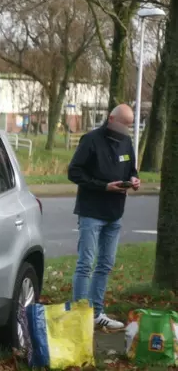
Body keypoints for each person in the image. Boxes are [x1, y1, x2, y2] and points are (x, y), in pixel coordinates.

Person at [67, 104, 140, 330]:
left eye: (130, 126)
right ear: (111, 119)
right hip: (91, 211)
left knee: (105, 264)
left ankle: (97, 313)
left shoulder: (127, 142)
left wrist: (134, 180)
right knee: (85, 263)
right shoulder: (91, 140)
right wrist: (103, 186)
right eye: (123, 124)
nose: (126, 129)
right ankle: (80, 315)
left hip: (115, 212)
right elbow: (74, 172)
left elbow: (131, 169)